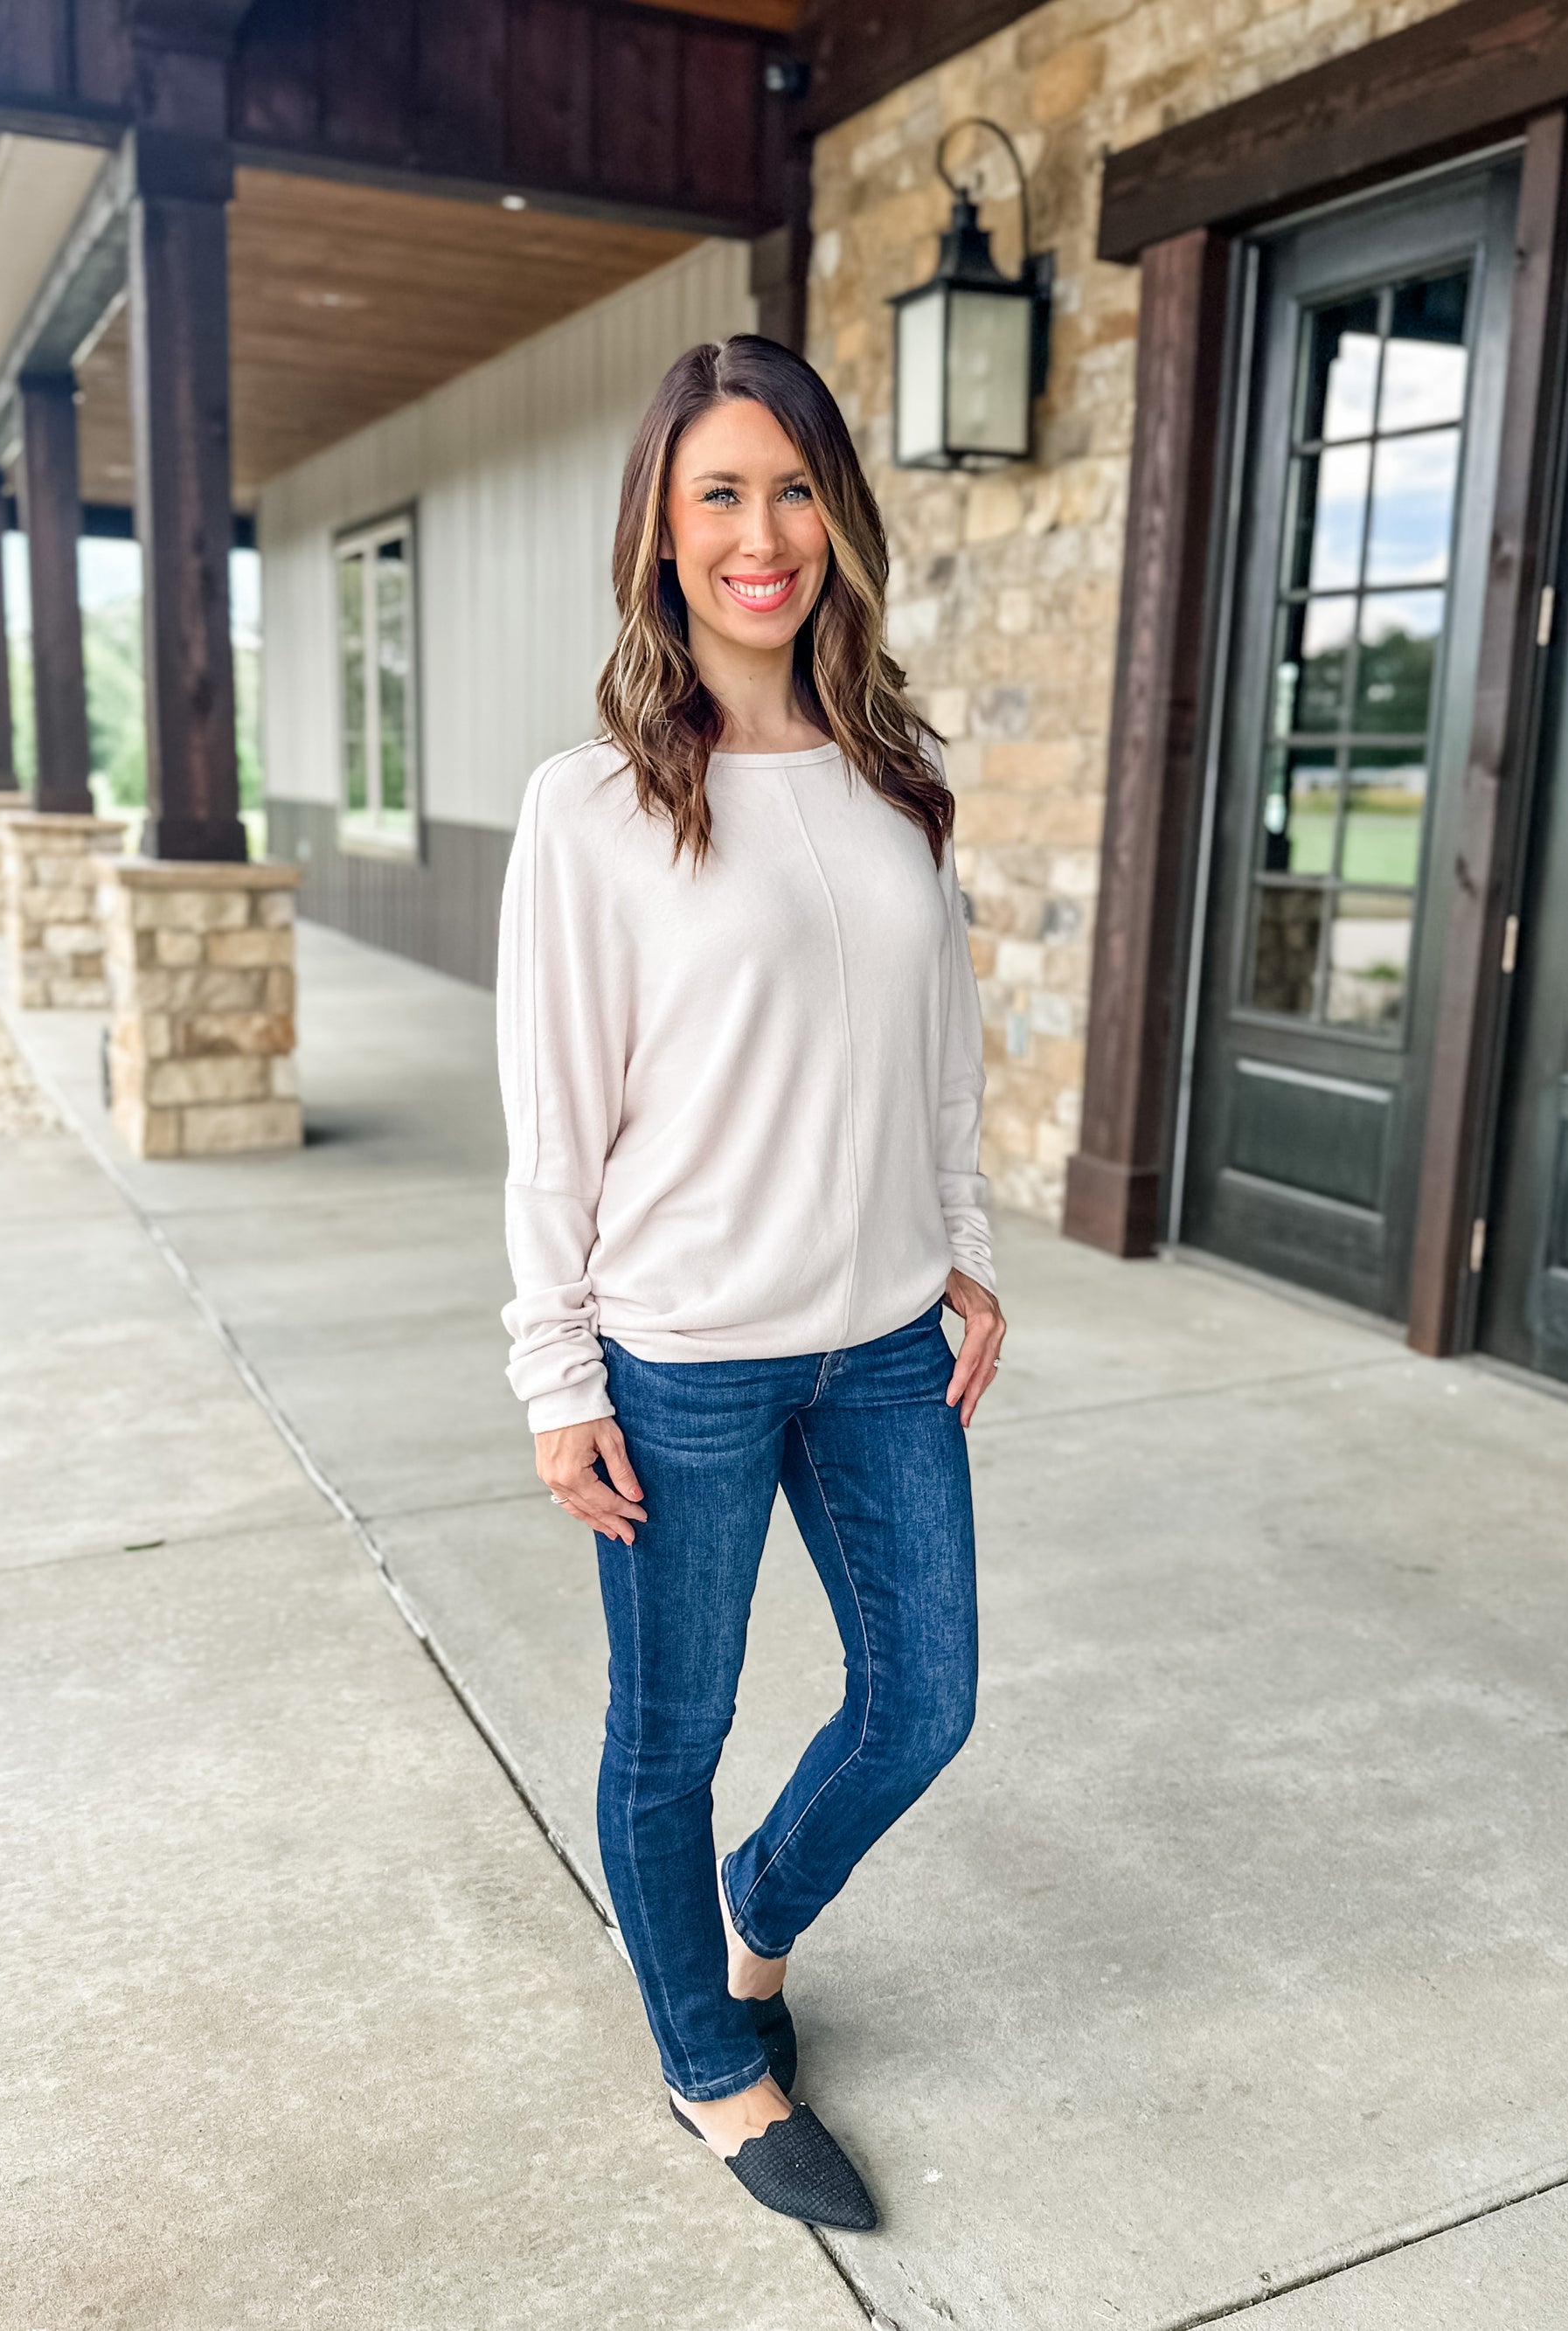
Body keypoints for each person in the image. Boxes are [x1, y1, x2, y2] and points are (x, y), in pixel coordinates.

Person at [496, 334, 1005, 2233]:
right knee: (670, 1736)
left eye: (793, 489)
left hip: (880, 1343)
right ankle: (709, 2058)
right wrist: (557, 1372)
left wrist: (963, 1249)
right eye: (718, 492)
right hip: (684, 1356)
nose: (760, 534)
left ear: (836, 517)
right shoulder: (594, 805)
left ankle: (755, 1915)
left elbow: (940, 1051)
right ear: (662, 526)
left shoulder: (895, 777)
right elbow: (555, 1118)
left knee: (923, 1700)